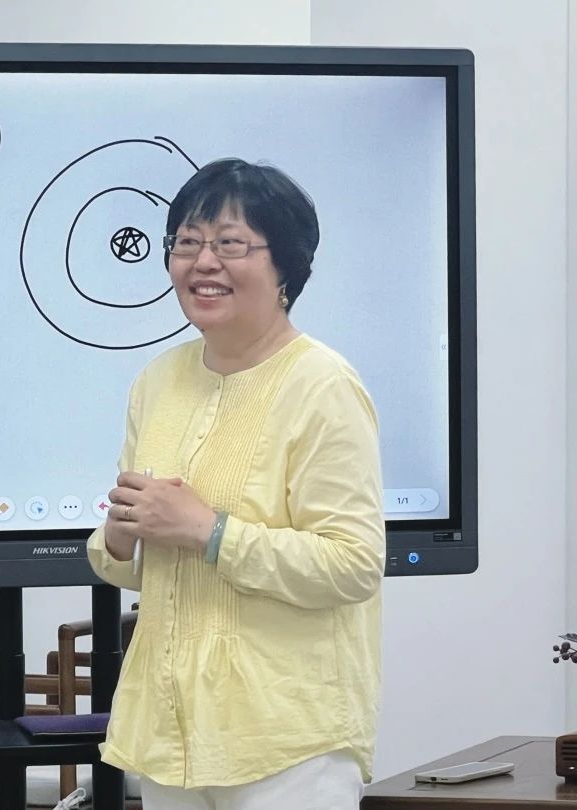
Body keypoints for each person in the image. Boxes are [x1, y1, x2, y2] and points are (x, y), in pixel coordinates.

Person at [87, 158, 384, 810]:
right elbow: (132, 563)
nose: (203, 263)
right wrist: (119, 536)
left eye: (229, 244)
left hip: (286, 738)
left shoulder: (323, 385)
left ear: (286, 266)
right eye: (186, 243)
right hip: (169, 731)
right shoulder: (157, 381)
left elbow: (354, 564)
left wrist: (209, 532)